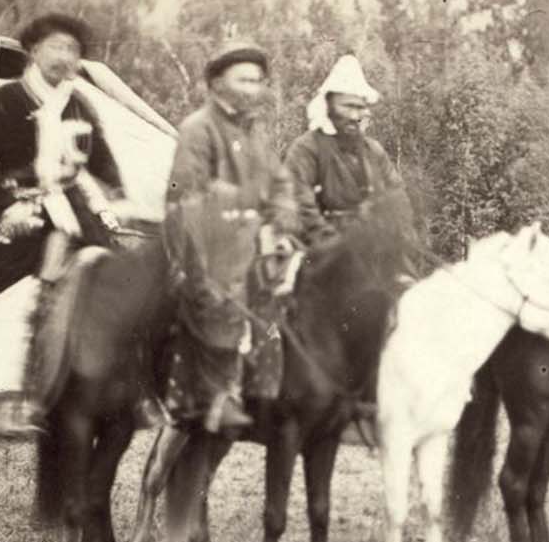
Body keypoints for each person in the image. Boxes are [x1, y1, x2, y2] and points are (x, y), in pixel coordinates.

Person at [0, 13, 125, 432]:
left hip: (76, 210)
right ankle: (7, 400)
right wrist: (4, 205)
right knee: (20, 293)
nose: (64, 56)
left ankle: (120, 391)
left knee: (119, 283)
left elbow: (103, 159)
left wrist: (115, 195)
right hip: (21, 211)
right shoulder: (7, 99)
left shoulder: (79, 103)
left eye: (72, 49)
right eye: (55, 46)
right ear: (33, 50)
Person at [164, 39, 300, 432]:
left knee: (291, 284)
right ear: (217, 82)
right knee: (220, 294)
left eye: (257, 81)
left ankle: (266, 388)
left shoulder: (251, 132)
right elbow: (186, 195)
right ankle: (212, 395)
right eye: (242, 80)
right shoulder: (198, 128)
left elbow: (280, 183)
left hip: (246, 238)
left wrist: (283, 216)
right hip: (203, 240)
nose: (251, 89)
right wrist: (239, 206)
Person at [281, 53, 405, 244]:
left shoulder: (373, 151)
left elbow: (397, 198)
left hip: (371, 245)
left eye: (360, 108)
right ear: (329, 106)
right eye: (348, 107)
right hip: (319, 246)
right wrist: (335, 245)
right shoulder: (307, 148)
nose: (355, 116)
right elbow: (300, 205)